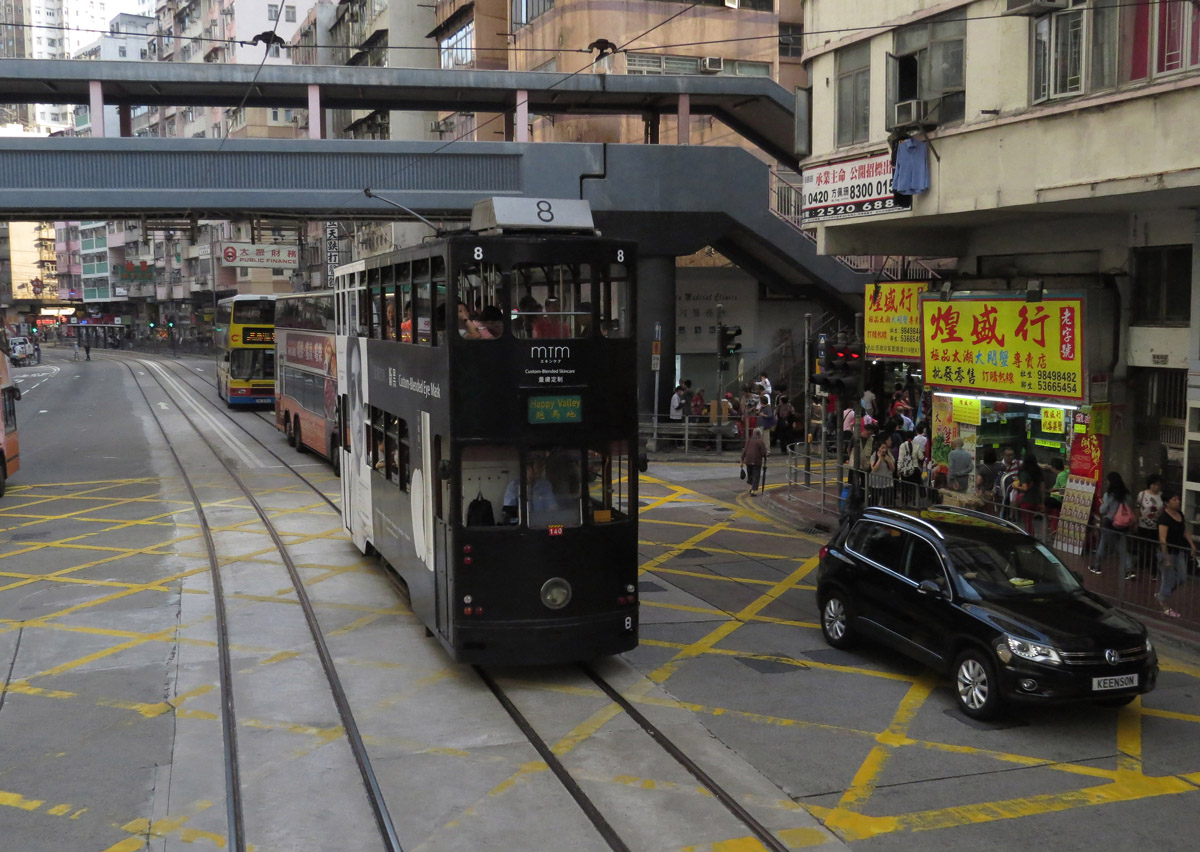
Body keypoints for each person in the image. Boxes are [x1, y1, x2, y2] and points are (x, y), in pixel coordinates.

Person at [1090, 471, 1135, 580]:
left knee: (1104, 545)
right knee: (1122, 547)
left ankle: (1097, 566)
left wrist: (1102, 505)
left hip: (1110, 524)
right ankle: (1128, 570)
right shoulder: (1127, 495)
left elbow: (1103, 509)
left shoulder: (1109, 495)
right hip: (1124, 524)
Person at [1156, 492, 1193, 618]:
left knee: (1182, 577)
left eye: (1178, 499)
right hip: (1167, 553)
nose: (1178, 501)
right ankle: (1164, 605)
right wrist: (1166, 558)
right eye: (1174, 499)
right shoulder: (1164, 519)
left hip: (1178, 551)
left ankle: (1162, 594)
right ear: (1167, 503)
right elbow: (1163, 539)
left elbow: (1185, 530)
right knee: (1167, 579)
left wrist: (1192, 545)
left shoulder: (1180, 514)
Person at [1135, 474, 1164, 577]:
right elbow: (1138, 508)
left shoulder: (1161, 496)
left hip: (1156, 526)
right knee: (1143, 546)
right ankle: (1143, 563)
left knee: (1153, 547)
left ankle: (1153, 566)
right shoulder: (1142, 494)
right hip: (1143, 524)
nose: (1157, 487)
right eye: (1155, 485)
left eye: (1159, 485)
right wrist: (1137, 520)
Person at [1013, 453, 1046, 533]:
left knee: (1027, 522)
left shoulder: (1024, 472)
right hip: (1036, 499)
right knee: (1030, 520)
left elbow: (1024, 487)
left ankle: (1029, 538)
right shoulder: (1038, 471)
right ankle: (1031, 536)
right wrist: (1042, 502)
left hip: (1026, 499)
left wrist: (1016, 486)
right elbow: (1042, 487)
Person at [869, 441, 896, 506]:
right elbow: (874, 468)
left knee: (887, 501)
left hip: (887, 482)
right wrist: (880, 459)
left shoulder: (889, 455)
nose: (884, 450)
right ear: (878, 448)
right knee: (874, 500)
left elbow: (893, 469)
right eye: (882, 448)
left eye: (885, 448)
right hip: (876, 482)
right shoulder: (874, 455)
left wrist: (889, 461)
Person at [742, 427, 767, 495]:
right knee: (756, 475)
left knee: (750, 474)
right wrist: (764, 461)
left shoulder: (749, 440)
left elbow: (744, 451)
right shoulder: (761, 442)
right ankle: (753, 490)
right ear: (760, 434)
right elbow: (763, 453)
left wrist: (741, 461)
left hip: (748, 460)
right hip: (756, 461)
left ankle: (750, 488)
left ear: (753, 433)